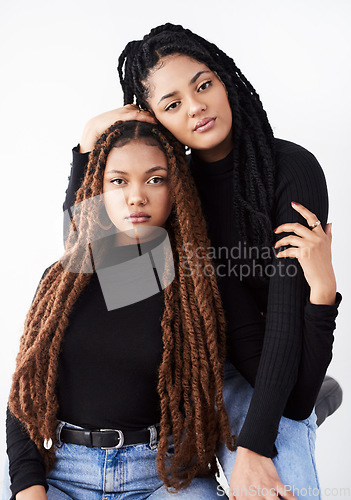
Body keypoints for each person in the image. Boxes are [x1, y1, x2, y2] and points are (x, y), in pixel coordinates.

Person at [61, 23, 342, 499]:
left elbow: (283, 325)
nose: (196, 107)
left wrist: (253, 447)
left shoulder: (289, 170)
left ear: (224, 79)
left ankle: (311, 402)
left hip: (272, 357)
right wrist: (88, 144)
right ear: (155, 121)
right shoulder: (170, 191)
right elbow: (93, 270)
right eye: (171, 104)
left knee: (281, 471)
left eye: (203, 84)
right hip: (197, 361)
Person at [5, 119, 341, 500]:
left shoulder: (203, 285)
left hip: (161, 480)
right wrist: (29, 488)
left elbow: (293, 399)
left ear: (177, 187)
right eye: (119, 181)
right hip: (61, 473)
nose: (136, 196)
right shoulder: (64, 279)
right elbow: (23, 398)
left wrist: (323, 292)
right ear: (98, 188)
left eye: (154, 179)